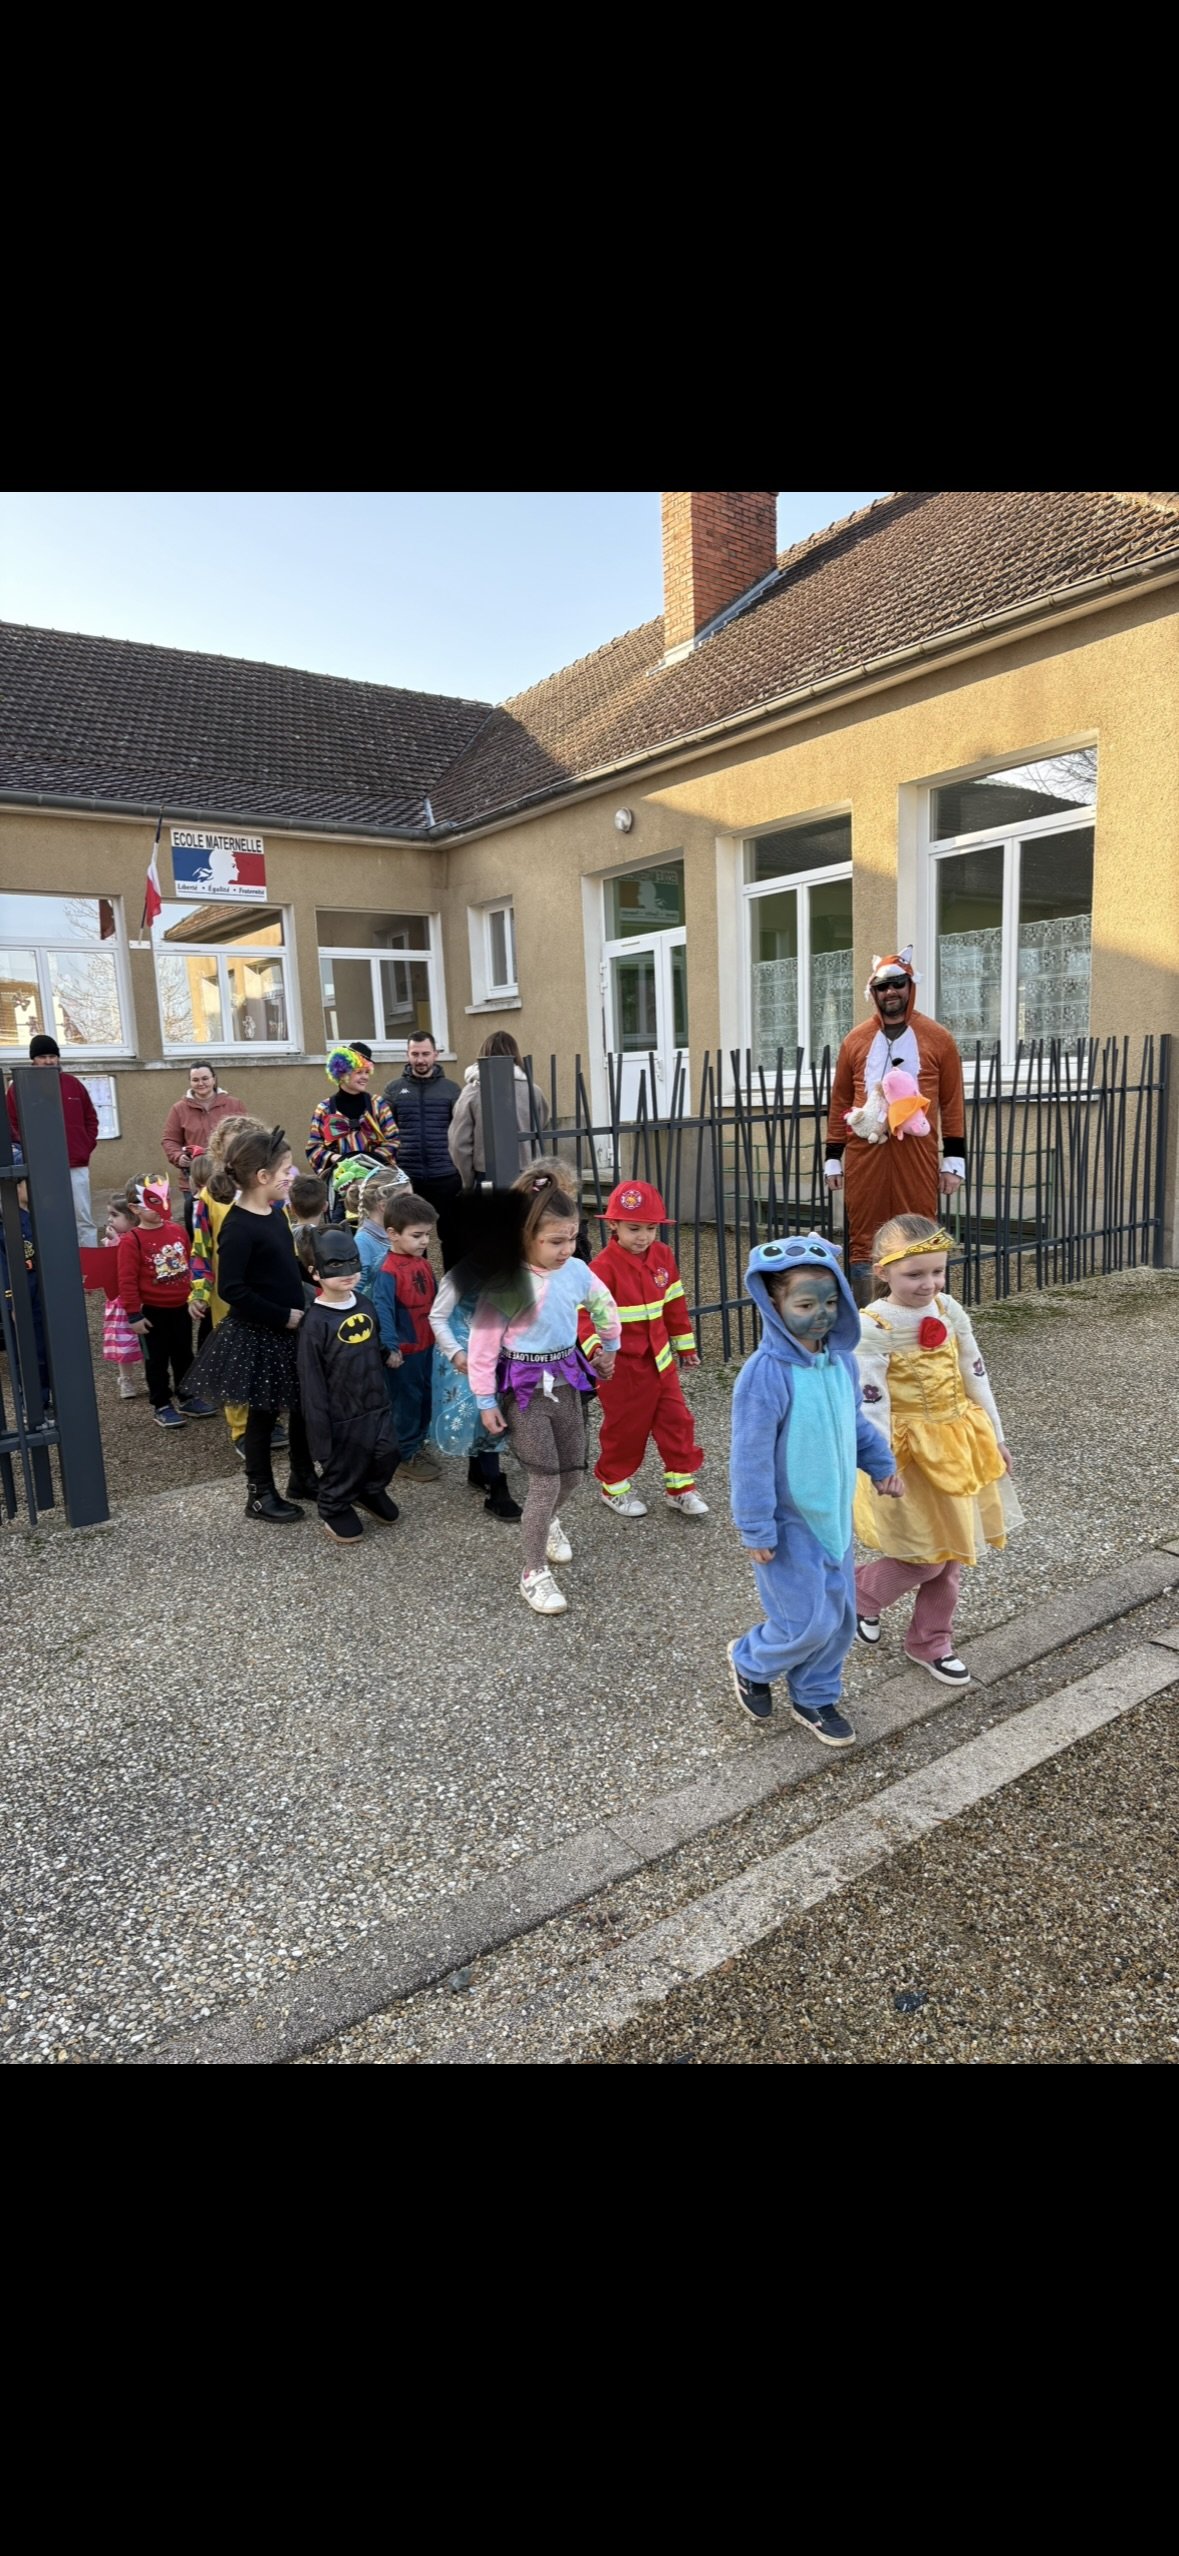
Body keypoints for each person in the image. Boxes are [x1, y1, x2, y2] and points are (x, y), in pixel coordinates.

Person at [727, 1233, 902, 1744]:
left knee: (840, 1618)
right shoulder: (765, 1375)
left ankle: (815, 1695)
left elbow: (855, 1423)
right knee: (806, 1622)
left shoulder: (842, 1361)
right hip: (788, 1525)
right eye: (805, 1305)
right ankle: (751, 1661)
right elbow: (750, 1458)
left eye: (830, 1303)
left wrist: (881, 1464)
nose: (820, 1315)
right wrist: (755, 1526)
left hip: (834, 1519)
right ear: (773, 1304)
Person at [853, 1214, 1020, 1685]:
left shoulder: (949, 1310)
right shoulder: (873, 1326)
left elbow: (976, 1374)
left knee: (953, 1551)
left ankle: (930, 1640)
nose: (929, 1284)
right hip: (907, 1456)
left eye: (938, 1271)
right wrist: (880, 1464)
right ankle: (858, 1594)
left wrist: (997, 1436)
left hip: (957, 1443)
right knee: (923, 1556)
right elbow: (871, 1401)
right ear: (883, 1272)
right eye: (915, 1274)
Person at [468, 1183, 621, 1616]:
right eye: (555, 1241)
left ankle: (547, 1520)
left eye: (572, 1238)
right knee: (545, 1479)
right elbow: (482, 1347)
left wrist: (610, 1346)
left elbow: (603, 1304)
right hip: (523, 1390)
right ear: (526, 1236)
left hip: (566, 1381)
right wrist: (485, 1400)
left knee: (572, 1473)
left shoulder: (576, 1270)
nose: (566, 1249)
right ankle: (533, 1572)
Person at [182, 1126, 316, 1524]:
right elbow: (232, 1288)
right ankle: (259, 1493)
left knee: (302, 1406)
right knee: (262, 1417)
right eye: (286, 1170)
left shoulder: (275, 1213)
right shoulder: (238, 1226)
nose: (291, 1176)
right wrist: (282, 1315)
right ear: (262, 1176)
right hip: (260, 1333)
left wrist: (316, 1282)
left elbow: (286, 1263)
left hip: (288, 1329)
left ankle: (302, 1477)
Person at [825, 948, 966, 1303]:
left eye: (898, 984)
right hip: (864, 1152)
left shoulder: (937, 1038)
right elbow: (840, 1100)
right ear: (873, 992)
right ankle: (869, 1314)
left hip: (916, 1151)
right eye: (882, 987)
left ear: (910, 986)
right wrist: (833, 1157)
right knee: (865, 1233)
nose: (890, 992)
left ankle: (921, 1312)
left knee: (918, 1227)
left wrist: (953, 1162)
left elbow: (952, 1102)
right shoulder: (855, 1040)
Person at [584, 1178, 706, 1521]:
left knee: (677, 1421)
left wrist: (685, 1346)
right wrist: (596, 1351)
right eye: (634, 1228)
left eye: (651, 1228)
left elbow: (674, 1303)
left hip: (661, 1362)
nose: (644, 1237)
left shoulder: (663, 1255)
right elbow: (583, 1315)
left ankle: (680, 1486)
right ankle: (613, 1486)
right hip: (621, 1368)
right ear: (614, 1225)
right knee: (626, 1428)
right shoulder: (601, 1269)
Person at [188, 1114, 284, 1463]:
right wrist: (199, 1291)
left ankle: (269, 1418)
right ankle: (242, 1428)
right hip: (229, 1294)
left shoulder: (272, 1192)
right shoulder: (209, 1197)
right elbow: (201, 1248)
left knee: (270, 1356)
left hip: (269, 1289)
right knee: (238, 1361)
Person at [297, 1226, 401, 1545]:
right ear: (315, 1272)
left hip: (376, 1403)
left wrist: (386, 1353)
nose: (347, 1272)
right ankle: (334, 1505)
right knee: (345, 1465)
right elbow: (311, 1382)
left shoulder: (364, 1304)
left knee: (388, 1453)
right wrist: (320, 1437)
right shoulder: (315, 1323)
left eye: (352, 1262)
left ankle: (369, 1491)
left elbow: (372, 1341)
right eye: (335, 1264)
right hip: (341, 1415)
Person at [116, 1176, 214, 1430]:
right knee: (156, 1361)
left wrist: (196, 1295)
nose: (163, 1205)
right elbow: (126, 1280)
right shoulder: (132, 1240)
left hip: (180, 1308)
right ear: (135, 1208)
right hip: (152, 1313)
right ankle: (161, 1404)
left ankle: (186, 1396)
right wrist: (134, 1314)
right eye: (153, 1201)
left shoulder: (178, 1231)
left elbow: (191, 1264)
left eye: (166, 1198)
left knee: (184, 1354)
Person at [372, 1192, 441, 1481]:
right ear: (393, 1234)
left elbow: (437, 1301)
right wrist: (390, 1347)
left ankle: (418, 1442)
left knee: (425, 1395)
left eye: (427, 1234)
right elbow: (383, 1311)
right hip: (404, 1352)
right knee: (406, 1402)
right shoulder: (387, 1270)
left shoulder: (422, 1263)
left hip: (427, 1345)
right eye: (417, 1235)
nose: (424, 1241)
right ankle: (404, 1453)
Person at [6, 1033, 99, 1245]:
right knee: (47, 1218)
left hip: (75, 1164)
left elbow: (90, 1119)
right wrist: (30, 1151)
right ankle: (53, 1262)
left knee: (82, 1219)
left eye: (52, 1056)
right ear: (33, 1060)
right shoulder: (19, 1088)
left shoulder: (73, 1084)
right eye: (42, 1057)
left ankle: (90, 1262)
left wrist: (84, 1146)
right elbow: (12, 1124)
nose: (48, 1061)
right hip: (40, 1167)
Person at [448, 1031, 549, 1186]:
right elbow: (541, 1127)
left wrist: (468, 1181)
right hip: (527, 1172)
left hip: (486, 1174)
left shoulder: (472, 1092)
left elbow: (459, 1143)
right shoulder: (533, 1091)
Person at [306, 1045, 400, 1210]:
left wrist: (368, 1161)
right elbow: (314, 1148)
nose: (365, 1077)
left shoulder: (378, 1105)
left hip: (376, 1186)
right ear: (342, 1073)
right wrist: (337, 1159)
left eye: (367, 1072)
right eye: (359, 1072)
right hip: (341, 1186)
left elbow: (393, 1141)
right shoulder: (325, 1109)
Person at [382, 1033, 463, 1221]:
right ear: (407, 1055)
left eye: (425, 1054)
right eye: (415, 1054)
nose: (420, 1060)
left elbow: (462, 1132)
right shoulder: (393, 1090)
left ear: (436, 1054)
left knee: (452, 1233)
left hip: (446, 1175)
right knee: (409, 1232)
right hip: (407, 1177)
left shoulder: (451, 1089)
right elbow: (385, 1132)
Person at [161, 1065, 245, 1234]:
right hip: (195, 1180)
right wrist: (178, 1156)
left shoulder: (233, 1104)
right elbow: (169, 1140)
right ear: (190, 1082)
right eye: (195, 1080)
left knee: (231, 1226)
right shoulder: (179, 1109)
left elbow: (246, 1135)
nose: (201, 1083)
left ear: (214, 1079)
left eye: (205, 1078)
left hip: (230, 1179)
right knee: (200, 1229)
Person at [102, 1196, 147, 1397]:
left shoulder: (139, 1238)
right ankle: (126, 1379)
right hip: (120, 1302)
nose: (109, 1219)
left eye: (114, 1215)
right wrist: (113, 1242)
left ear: (131, 1217)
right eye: (109, 1215)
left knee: (145, 1340)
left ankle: (150, 1375)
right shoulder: (111, 1242)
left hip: (140, 1298)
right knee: (122, 1342)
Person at [354, 1169, 405, 1294]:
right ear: (383, 1206)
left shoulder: (399, 1231)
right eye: (406, 1201)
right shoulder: (362, 1242)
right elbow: (357, 1291)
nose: (414, 1205)